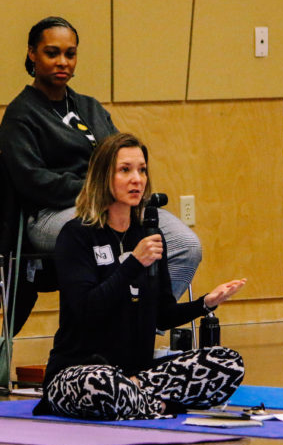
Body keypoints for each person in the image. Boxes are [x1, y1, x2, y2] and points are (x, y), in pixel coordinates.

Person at [34, 133, 245, 420]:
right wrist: (133, 263)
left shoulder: (149, 235)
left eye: (142, 170)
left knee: (228, 363)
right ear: (102, 177)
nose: (137, 179)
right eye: (125, 170)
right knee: (103, 385)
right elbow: (86, 310)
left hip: (138, 375)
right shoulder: (76, 235)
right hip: (80, 372)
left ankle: (137, 397)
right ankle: (153, 404)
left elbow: (162, 315)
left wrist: (206, 303)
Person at [0, 16, 201, 299]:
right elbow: (33, 180)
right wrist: (97, 191)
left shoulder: (89, 107)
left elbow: (122, 157)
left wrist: (123, 186)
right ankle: (110, 325)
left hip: (112, 205)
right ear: (32, 54)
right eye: (52, 53)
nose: (63, 62)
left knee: (185, 244)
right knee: (109, 240)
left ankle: (144, 324)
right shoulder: (20, 115)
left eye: (70, 54)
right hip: (51, 215)